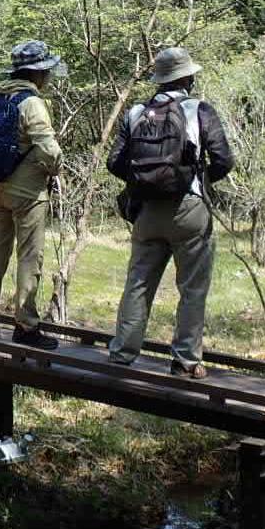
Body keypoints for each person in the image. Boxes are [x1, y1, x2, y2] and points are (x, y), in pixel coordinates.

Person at [106, 47, 234, 379]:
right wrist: (197, 180)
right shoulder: (198, 110)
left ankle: (122, 353)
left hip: (146, 212)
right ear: (187, 78)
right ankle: (185, 360)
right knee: (192, 287)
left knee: (138, 283)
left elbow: (114, 162)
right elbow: (223, 159)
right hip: (189, 209)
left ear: (159, 80)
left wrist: (145, 183)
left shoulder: (136, 112)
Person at [0, 41, 63, 350]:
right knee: (29, 256)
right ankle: (26, 325)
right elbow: (49, 148)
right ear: (37, 73)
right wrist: (54, 168)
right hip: (27, 193)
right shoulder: (32, 103)